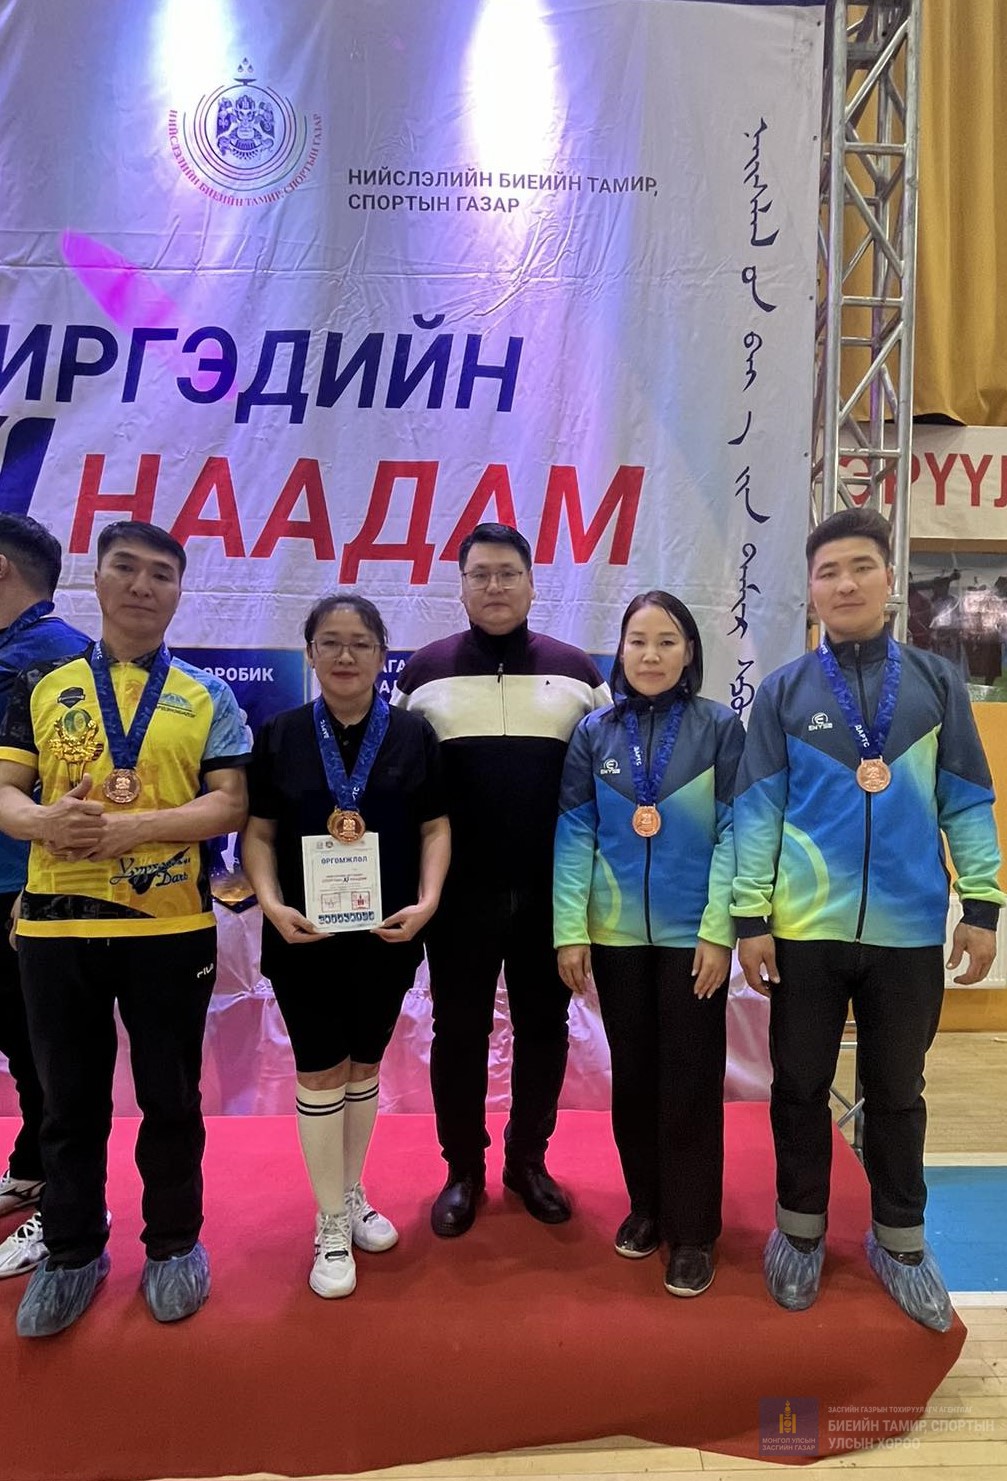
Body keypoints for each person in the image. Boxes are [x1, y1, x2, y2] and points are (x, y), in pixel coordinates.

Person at [732, 506, 1004, 1331]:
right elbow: (756, 811)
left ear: (889, 578)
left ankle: (900, 1241)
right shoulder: (782, 692)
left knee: (897, 1090)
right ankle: (799, 1231)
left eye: (859, 567)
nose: (843, 583)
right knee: (797, 1086)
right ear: (810, 590)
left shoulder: (934, 682)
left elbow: (966, 799)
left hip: (908, 931)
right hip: (803, 932)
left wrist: (981, 904)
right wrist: (749, 916)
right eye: (827, 572)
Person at [0, 520, 250, 1337]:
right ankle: (73, 1251)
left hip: (169, 926)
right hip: (55, 927)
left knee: (170, 1096)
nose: (143, 585)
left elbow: (229, 803)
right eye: (126, 568)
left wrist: (133, 829)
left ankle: (174, 1242)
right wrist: (43, 821)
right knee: (66, 1102)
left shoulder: (208, 694)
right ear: (97, 579)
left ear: (179, 590)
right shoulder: (41, 683)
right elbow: (5, 793)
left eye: (161, 574)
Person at [393, 523, 609, 1237]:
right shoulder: (423, 673)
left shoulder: (577, 671)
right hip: (459, 895)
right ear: (459, 586)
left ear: (531, 584)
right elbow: (399, 782)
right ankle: (462, 1168)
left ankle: (527, 1160)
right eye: (479, 574)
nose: (494, 586)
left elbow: (612, 777)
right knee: (457, 1031)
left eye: (507, 573)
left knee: (545, 1028)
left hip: (552, 892)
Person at [243, 594, 450, 1298]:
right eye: (329, 642)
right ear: (309, 653)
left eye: (360, 642)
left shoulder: (414, 735)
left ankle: (351, 1191)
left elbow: (435, 826)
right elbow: (259, 832)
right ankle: (329, 1220)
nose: (344, 655)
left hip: (387, 934)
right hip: (303, 935)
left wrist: (428, 901)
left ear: (381, 654)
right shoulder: (280, 734)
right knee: (320, 1070)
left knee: (364, 1064)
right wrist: (270, 903)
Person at [554, 591, 744, 1295]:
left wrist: (719, 930)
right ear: (621, 650)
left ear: (689, 651)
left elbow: (737, 831)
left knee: (689, 1081)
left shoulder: (719, 727)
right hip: (614, 939)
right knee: (633, 1078)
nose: (651, 654)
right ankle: (647, 1207)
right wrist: (569, 929)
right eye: (638, 640)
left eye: (666, 641)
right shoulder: (594, 732)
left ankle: (693, 1231)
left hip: (694, 939)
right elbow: (575, 833)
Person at [0, 515, 89, 1281]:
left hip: (27, 889)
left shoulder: (56, 661)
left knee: (51, 1055)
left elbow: (75, 798)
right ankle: (32, 1168)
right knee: (24, 1048)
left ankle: (67, 1205)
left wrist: (33, 888)